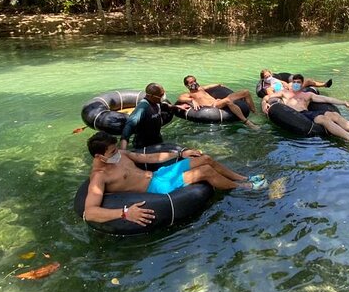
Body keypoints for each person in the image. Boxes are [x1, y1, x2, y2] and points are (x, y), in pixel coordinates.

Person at [84, 131, 267, 225]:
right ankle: (246, 188)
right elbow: (90, 213)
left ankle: (243, 177)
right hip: (156, 188)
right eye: (113, 152)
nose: (118, 153)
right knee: (204, 171)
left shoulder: (121, 155)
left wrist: (181, 152)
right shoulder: (99, 177)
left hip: (159, 175)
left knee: (204, 159)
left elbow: (149, 158)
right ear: (99, 157)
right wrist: (124, 213)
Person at [263, 73, 349, 147]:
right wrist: (265, 105)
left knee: (333, 114)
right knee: (324, 119)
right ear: (291, 83)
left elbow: (325, 99)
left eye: (299, 82)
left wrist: (344, 102)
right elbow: (267, 97)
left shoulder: (307, 94)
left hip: (308, 113)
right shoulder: (284, 93)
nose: (296, 84)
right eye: (295, 82)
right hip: (296, 115)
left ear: (302, 84)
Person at [177, 75, 259, 129]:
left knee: (245, 92)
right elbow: (180, 98)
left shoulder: (201, 88)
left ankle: (254, 112)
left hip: (218, 101)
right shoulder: (189, 94)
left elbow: (211, 86)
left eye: (195, 81)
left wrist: (220, 85)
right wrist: (192, 100)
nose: (194, 83)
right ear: (187, 85)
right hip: (213, 106)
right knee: (227, 101)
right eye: (191, 82)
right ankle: (247, 122)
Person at [119, 83, 173, 150]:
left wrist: (176, 107)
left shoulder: (156, 102)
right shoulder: (143, 107)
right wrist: (123, 150)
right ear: (151, 96)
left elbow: (163, 105)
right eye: (161, 95)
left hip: (157, 141)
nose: (163, 97)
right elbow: (129, 126)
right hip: (143, 146)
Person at [258, 69, 332, 96]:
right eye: (266, 77)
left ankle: (324, 84)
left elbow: (284, 82)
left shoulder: (275, 80)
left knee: (308, 80)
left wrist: (287, 85)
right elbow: (272, 95)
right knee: (308, 81)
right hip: (286, 94)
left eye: (269, 75)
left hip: (289, 89)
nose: (269, 77)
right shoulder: (266, 87)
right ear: (263, 78)